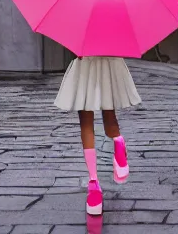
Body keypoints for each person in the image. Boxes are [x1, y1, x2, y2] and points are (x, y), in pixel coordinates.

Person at [54, 56, 140, 215]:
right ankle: (119, 146)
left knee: (86, 123)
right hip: (109, 63)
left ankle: (94, 185)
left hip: (85, 65)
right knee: (109, 115)